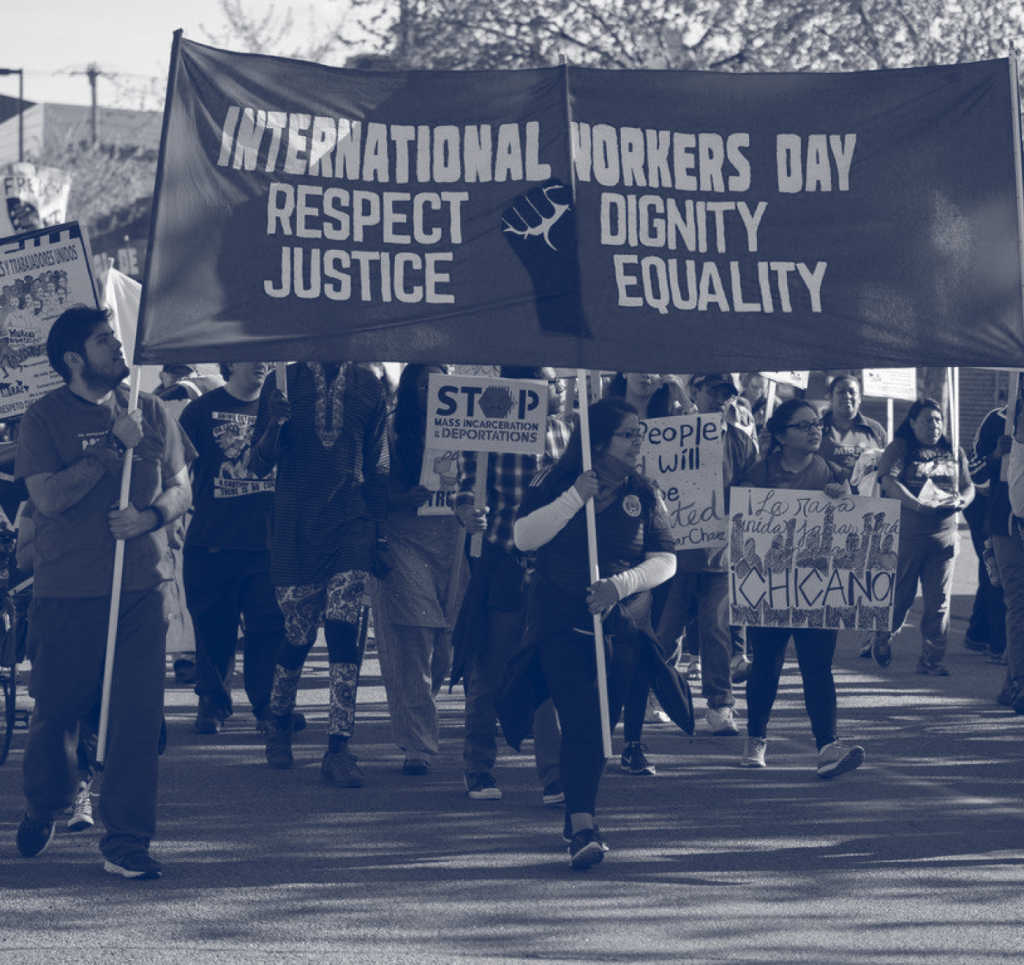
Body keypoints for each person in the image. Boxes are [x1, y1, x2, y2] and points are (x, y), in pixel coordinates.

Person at [15, 306, 194, 879]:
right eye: (102, 341)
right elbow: (46, 499)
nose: (117, 349)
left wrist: (149, 519)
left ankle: (127, 840)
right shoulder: (42, 418)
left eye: (115, 339)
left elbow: (181, 485)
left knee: (136, 718)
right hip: (68, 593)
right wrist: (107, 453)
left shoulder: (150, 407)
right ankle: (47, 803)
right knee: (57, 716)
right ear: (73, 358)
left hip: (143, 588)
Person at [511, 397, 676, 868]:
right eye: (628, 434)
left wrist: (619, 587)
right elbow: (523, 538)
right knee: (582, 720)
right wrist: (573, 499)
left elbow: (667, 559)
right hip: (560, 624)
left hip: (622, 625)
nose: (638, 441)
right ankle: (584, 825)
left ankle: (577, 810)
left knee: (601, 729)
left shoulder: (645, 491)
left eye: (639, 433)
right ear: (599, 440)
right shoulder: (555, 480)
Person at [249, 361, 390, 786]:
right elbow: (258, 464)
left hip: (352, 524)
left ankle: (339, 747)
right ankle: (277, 721)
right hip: (295, 528)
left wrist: (380, 536)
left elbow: (378, 463)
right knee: (298, 637)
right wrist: (275, 422)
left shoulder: (369, 384)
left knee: (344, 633)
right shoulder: (282, 381)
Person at [621, 373, 757, 768]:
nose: (722, 399)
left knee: (717, 631)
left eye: (727, 394)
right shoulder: (670, 431)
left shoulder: (741, 440)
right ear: (696, 391)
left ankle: (720, 705)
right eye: (714, 391)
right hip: (671, 553)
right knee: (665, 632)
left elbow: (756, 488)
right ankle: (650, 693)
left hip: (719, 555)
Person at [452, 366, 570, 803]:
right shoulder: (485, 433)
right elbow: (465, 489)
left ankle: (555, 775)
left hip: (552, 573)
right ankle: (478, 769)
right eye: (551, 383)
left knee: (550, 671)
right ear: (528, 391)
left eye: (558, 383)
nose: (559, 389)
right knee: (489, 671)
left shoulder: (564, 434)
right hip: (502, 566)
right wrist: (467, 513)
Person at [737, 398, 865, 778]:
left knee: (817, 667)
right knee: (766, 665)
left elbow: (852, 527)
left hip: (818, 588)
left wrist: (847, 502)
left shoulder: (833, 473)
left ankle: (828, 746)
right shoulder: (759, 473)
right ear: (780, 434)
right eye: (804, 426)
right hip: (770, 586)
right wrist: (747, 500)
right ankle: (756, 737)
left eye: (817, 425)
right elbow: (742, 519)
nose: (814, 431)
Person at [369, 364, 468, 775]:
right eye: (426, 384)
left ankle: (416, 712)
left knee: (445, 649)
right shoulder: (390, 429)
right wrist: (401, 498)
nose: (435, 391)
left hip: (456, 544)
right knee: (414, 640)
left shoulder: (467, 427)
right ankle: (418, 745)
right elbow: (371, 487)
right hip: (404, 539)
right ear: (411, 390)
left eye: (442, 382)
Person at [178, 362, 286, 735]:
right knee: (212, 631)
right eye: (251, 356)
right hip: (212, 542)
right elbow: (174, 469)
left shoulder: (283, 410)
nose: (261, 364)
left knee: (270, 629)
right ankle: (212, 702)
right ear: (229, 363)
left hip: (269, 545)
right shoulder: (200, 410)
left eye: (267, 358)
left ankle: (268, 706)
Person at [865, 398, 974, 674]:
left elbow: (968, 486)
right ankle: (883, 636)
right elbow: (888, 481)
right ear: (912, 422)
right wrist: (916, 504)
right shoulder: (901, 447)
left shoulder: (953, 448)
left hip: (945, 541)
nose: (934, 425)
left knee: (939, 604)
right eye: (927, 420)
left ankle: (931, 659)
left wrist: (963, 501)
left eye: (938, 420)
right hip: (908, 539)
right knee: (901, 599)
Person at [818, 375, 888, 482]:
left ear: (859, 398)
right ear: (831, 397)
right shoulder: (818, 428)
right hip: (824, 496)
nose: (847, 396)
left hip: (867, 497)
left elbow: (887, 466)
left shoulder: (875, 429)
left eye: (852, 392)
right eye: (841, 391)